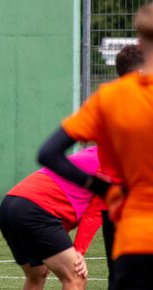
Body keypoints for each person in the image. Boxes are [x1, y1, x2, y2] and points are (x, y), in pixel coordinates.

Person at [38, 3, 153, 289]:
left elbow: (49, 153)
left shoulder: (111, 97)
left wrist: (101, 187)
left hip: (135, 238)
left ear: (139, 41)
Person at [0, 146, 103, 290]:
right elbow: (95, 213)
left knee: (37, 275)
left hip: (10, 204)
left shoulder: (95, 152)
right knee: (76, 277)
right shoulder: (114, 163)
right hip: (36, 209)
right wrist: (79, 252)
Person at [101, 43, 144, 290]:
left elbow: (50, 153)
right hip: (139, 200)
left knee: (116, 273)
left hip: (114, 198)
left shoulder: (105, 101)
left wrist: (95, 185)